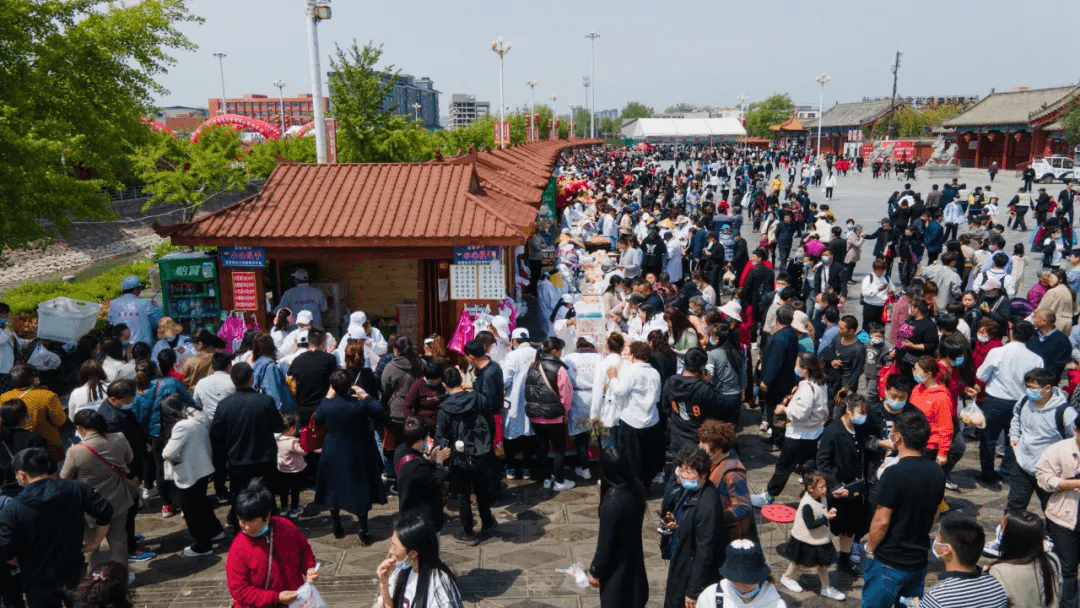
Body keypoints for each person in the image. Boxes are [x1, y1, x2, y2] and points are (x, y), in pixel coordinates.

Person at [0, 447, 113, 607]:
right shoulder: (77, 489)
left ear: (20, 475)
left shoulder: (13, 508)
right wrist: (96, 541)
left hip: (36, 577)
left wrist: (20, 562)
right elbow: (105, 511)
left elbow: (4, 549)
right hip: (73, 567)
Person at [861, 410, 945, 608]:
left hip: (889, 562)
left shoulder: (894, 473)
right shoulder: (937, 471)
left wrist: (870, 549)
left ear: (897, 437)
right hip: (918, 561)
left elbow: (881, 520)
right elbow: (936, 513)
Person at [313, 369, 386, 544]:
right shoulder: (359, 405)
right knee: (359, 487)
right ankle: (363, 529)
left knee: (333, 487)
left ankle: (336, 524)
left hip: (333, 449)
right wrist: (364, 394)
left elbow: (318, 418)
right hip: (357, 450)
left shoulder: (327, 405)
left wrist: (327, 396)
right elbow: (379, 409)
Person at [210, 362, 286, 529]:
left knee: (239, 496)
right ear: (251, 379)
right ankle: (270, 528)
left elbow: (216, 435)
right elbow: (279, 426)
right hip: (264, 459)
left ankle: (241, 529)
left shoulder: (224, 405)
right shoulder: (265, 401)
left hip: (237, 459)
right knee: (266, 496)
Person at [60, 410, 136, 569]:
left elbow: (64, 478)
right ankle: (119, 577)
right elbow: (129, 459)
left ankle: (93, 577)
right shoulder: (119, 437)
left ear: (80, 428)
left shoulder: (75, 451)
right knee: (119, 540)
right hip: (118, 498)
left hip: (90, 505)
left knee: (91, 544)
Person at [972, 321, 1043, 489]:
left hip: (995, 401)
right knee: (1014, 439)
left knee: (988, 439)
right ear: (1031, 337)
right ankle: (1006, 471)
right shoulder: (1036, 359)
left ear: (1011, 333)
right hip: (1021, 403)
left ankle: (988, 474)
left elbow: (982, 374)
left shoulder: (997, 352)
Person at [225, 480, 319, 608]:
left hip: (295, 600)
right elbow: (239, 590)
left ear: (267, 516)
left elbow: (304, 551)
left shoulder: (286, 527)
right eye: (242, 521)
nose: (246, 527)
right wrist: (276, 597)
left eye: (250, 521)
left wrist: (309, 568)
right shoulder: (238, 548)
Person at [754, 353, 829, 505]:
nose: (796, 368)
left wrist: (784, 410)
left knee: (784, 466)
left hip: (799, 435)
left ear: (805, 369)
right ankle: (816, 496)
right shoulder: (820, 383)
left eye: (798, 365)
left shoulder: (808, 388)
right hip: (815, 433)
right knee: (810, 467)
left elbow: (801, 413)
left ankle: (769, 496)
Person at [435, 367, 497, 546]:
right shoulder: (479, 398)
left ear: (444, 384)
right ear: (461, 380)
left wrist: (443, 454)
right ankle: (487, 521)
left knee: (462, 494)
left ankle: (468, 531)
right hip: (481, 451)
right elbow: (490, 423)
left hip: (458, 456)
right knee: (481, 488)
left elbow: (442, 437)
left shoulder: (445, 408)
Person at [159, 392, 224, 558]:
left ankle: (202, 544)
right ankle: (215, 531)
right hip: (203, 468)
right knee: (202, 503)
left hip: (189, 472)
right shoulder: (198, 415)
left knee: (191, 511)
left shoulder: (182, 426)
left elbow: (168, 453)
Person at [1005, 368, 1076, 514]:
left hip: (1049, 469)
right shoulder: (1024, 401)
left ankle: (1051, 536)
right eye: (1027, 387)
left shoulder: (1065, 413)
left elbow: (1075, 438)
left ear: (1047, 388)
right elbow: (1016, 417)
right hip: (1022, 463)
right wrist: (1014, 436)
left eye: (1033, 388)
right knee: (1014, 505)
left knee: (1051, 509)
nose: (1029, 391)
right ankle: (1008, 535)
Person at [586, 446, 649, 608]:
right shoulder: (636, 490)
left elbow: (605, 544)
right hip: (635, 571)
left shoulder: (612, 503)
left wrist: (595, 570)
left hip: (616, 578)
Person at [816, 392, 870, 577]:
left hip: (855, 489)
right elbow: (823, 462)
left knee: (850, 528)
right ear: (848, 409)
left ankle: (844, 561)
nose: (863, 416)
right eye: (860, 411)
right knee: (834, 527)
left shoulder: (859, 429)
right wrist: (836, 486)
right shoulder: (833, 430)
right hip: (839, 489)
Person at [660, 445, 719, 608]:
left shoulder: (708, 504)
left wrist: (693, 591)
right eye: (682, 470)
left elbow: (704, 550)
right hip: (680, 558)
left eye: (690, 471)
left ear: (703, 474)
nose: (684, 475)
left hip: (690, 570)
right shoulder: (687, 489)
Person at [774, 470, 846, 601]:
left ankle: (826, 588)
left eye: (826, 486)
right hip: (805, 537)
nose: (825, 490)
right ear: (811, 488)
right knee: (797, 560)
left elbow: (827, 497)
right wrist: (826, 517)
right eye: (822, 487)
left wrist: (836, 495)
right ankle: (787, 578)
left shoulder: (819, 495)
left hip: (818, 538)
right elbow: (810, 524)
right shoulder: (807, 504)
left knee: (822, 564)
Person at [920, 515, 1008, 608]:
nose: (935, 542)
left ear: (946, 549)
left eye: (937, 539)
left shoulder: (936, 598)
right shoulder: (996, 586)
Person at [376, 515, 464, 608]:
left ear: (413, 553)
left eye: (395, 547)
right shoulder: (401, 572)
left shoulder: (438, 586)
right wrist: (383, 584)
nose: (390, 551)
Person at [608, 341, 663, 487]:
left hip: (631, 419)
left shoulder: (631, 371)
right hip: (651, 419)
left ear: (632, 355)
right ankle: (646, 484)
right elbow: (657, 397)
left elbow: (620, 391)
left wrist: (613, 378)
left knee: (632, 456)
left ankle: (634, 485)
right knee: (648, 455)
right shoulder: (654, 372)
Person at [523, 337, 575, 490]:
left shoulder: (533, 366)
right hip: (554, 416)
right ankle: (559, 481)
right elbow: (566, 394)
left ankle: (545, 479)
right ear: (554, 351)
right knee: (559, 449)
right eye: (560, 349)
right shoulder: (559, 369)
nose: (561, 353)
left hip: (536, 416)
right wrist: (566, 411)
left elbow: (528, 390)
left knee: (542, 448)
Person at [699, 420, 756, 552]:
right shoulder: (712, 461)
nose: (701, 451)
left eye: (705, 449)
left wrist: (714, 517)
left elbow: (743, 507)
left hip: (726, 534)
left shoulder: (733, 473)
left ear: (719, 450)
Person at [987, 510, 1063, 607]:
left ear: (1011, 537)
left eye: (1002, 528)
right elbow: (1058, 594)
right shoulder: (1053, 560)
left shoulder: (999, 571)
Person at [394, 418, 451, 533]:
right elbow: (436, 483)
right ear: (419, 441)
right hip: (423, 519)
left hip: (407, 510)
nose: (428, 440)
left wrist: (430, 460)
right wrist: (439, 462)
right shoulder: (416, 466)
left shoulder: (400, 451)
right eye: (426, 438)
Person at [0, 364, 66, 462]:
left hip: (14, 444)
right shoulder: (47, 396)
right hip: (48, 445)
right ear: (34, 379)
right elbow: (59, 420)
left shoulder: (4, 398)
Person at [695, 539, 788, 608]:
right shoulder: (710, 596)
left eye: (749, 580)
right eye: (736, 579)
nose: (742, 585)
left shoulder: (776, 604)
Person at [663, 348, 721, 455]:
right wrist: (708, 383)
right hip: (698, 440)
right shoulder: (704, 389)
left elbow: (665, 407)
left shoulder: (670, 382)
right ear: (702, 368)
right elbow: (718, 408)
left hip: (677, 438)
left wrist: (678, 418)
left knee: (680, 470)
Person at [758, 308, 800, 446]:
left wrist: (766, 381)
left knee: (774, 412)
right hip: (786, 378)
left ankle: (778, 439)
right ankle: (776, 436)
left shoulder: (780, 338)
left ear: (776, 318)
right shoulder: (791, 334)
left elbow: (775, 362)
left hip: (777, 383)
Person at [562, 337, 602, 480]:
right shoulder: (599, 358)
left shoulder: (569, 357)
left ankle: (584, 468)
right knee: (600, 433)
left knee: (581, 435)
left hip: (578, 396)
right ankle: (603, 468)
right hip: (596, 395)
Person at [910, 356, 954, 466]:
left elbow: (945, 427)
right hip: (914, 441)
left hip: (929, 447)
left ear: (928, 374)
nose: (914, 372)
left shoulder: (941, 397)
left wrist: (943, 452)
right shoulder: (917, 388)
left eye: (916, 370)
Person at [107, 275, 162, 347]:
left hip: (121, 347)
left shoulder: (113, 304)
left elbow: (111, 322)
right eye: (140, 288)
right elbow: (159, 320)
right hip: (142, 348)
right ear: (136, 289)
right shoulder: (144, 304)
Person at [249, 332, 295, 413]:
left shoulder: (256, 364)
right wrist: (279, 411)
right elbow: (273, 391)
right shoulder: (270, 366)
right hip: (275, 412)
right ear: (271, 346)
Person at [274, 414, 306, 519]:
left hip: (282, 470)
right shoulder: (293, 442)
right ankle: (294, 509)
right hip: (295, 471)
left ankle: (283, 508)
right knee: (295, 491)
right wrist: (304, 438)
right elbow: (303, 451)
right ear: (292, 428)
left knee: (283, 490)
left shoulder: (276, 439)